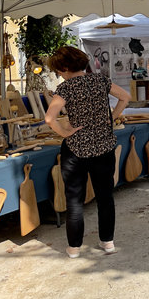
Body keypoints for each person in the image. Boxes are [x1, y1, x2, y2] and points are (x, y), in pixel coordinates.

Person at [45, 46, 131, 258]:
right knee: (105, 196)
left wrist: (65, 132)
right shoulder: (100, 81)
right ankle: (108, 242)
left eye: (59, 70)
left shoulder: (65, 88)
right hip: (103, 145)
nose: (59, 74)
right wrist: (112, 118)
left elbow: (49, 118)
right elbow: (125, 97)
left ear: (65, 67)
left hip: (76, 149)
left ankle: (74, 248)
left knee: (74, 199)